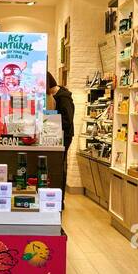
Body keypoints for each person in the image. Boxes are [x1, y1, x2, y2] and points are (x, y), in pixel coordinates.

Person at [47, 71, 74, 201]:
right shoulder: (56, 96)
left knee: (60, 165)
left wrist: (49, 121)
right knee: (58, 165)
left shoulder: (63, 98)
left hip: (65, 136)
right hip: (57, 135)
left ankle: (60, 199)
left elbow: (67, 120)